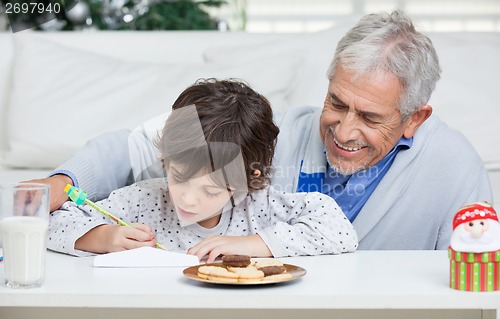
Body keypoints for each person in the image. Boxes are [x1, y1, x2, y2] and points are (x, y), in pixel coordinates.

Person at [34, 10, 492, 250]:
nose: (344, 130)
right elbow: (135, 148)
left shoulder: (454, 167)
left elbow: (475, 276)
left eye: (371, 118)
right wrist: (62, 183)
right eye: (337, 103)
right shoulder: (276, 133)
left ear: (415, 117)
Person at [47, 79, 358, 261]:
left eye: (210, 190)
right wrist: (104, 238)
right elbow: (49, 222)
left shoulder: (259, 208)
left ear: (250, 180)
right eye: (179, 177)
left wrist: (252, 244)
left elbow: (339, 231)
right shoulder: (143, 201)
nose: (188, 200)